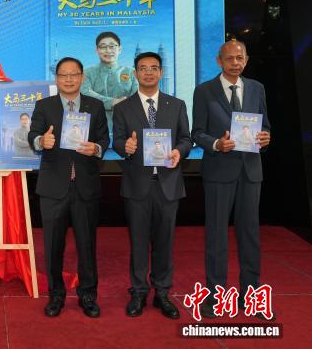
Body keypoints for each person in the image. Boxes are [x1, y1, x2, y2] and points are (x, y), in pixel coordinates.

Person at [192, 39, 272, 319]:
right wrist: (216, 144)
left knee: (250, 235)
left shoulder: (257, 88)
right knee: (216, 235)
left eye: (240, 58)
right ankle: (215, 297)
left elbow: (265, 126)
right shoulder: (204, 91)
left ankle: (251, 296)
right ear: (219, 61)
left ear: (246, 60)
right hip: (218, 171)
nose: (235, 63)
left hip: (250, 171)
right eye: (229, 58)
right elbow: (197, 132)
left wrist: (265, 138)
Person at [28, 57, 109, 318]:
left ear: (82, 77)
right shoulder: (44, 106)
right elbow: (33, 135)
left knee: (87, 245)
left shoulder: (95, 106)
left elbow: (104, 139)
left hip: (85, 186)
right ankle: (56, 295)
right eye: (64, 75)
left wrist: (96, 148)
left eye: (74, 74)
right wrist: (42, 141)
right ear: (57, 78)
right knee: (53, 245)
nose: (69, 79)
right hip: (53, 187)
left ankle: (88, 295)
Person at [112, 51, 192, 320]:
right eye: (143, 68)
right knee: (138, 242)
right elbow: (117, 141)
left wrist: (180, 151)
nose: (148, 72)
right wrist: (126, 146)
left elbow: (186, 138)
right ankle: (138, 291)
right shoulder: (123, 108)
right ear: (135, 73)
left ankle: (162, 292)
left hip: (168, 184)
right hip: (137, 186)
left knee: (165, 242)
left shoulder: (176, 105)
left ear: (161, 73)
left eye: (154, 68)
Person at [81, 31, 139, 131]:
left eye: (112, 46)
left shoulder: (132, 72)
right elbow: (85, 93)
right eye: (103, 47)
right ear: (97, 50)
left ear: (120, 49)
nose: (108, 50)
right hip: (94, 127)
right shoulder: (87, 72)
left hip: (126, 128)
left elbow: (137, 97)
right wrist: (112, 102)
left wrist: (123, 104)